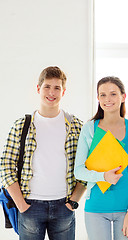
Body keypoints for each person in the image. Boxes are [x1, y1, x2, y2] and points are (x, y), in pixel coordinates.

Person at [0, 66, 86, 239]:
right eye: (47, 86)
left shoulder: (76, 126)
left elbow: (87, 164)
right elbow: (6, 166)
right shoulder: (21, 125)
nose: (51, 92)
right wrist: (21, 204)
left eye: (57, 88)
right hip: (30, 206)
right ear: (38, 88)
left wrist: (74, 200)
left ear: (64, 92)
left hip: (64, 205)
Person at [74, 76, 128, 240]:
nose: (108, 99)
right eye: (103, 95)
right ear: (98, 98)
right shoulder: (89, 129)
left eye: (113, 94)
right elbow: (79, 171)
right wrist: (103, 176)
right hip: (96, 208)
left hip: (127, 208)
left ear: (123, 96)